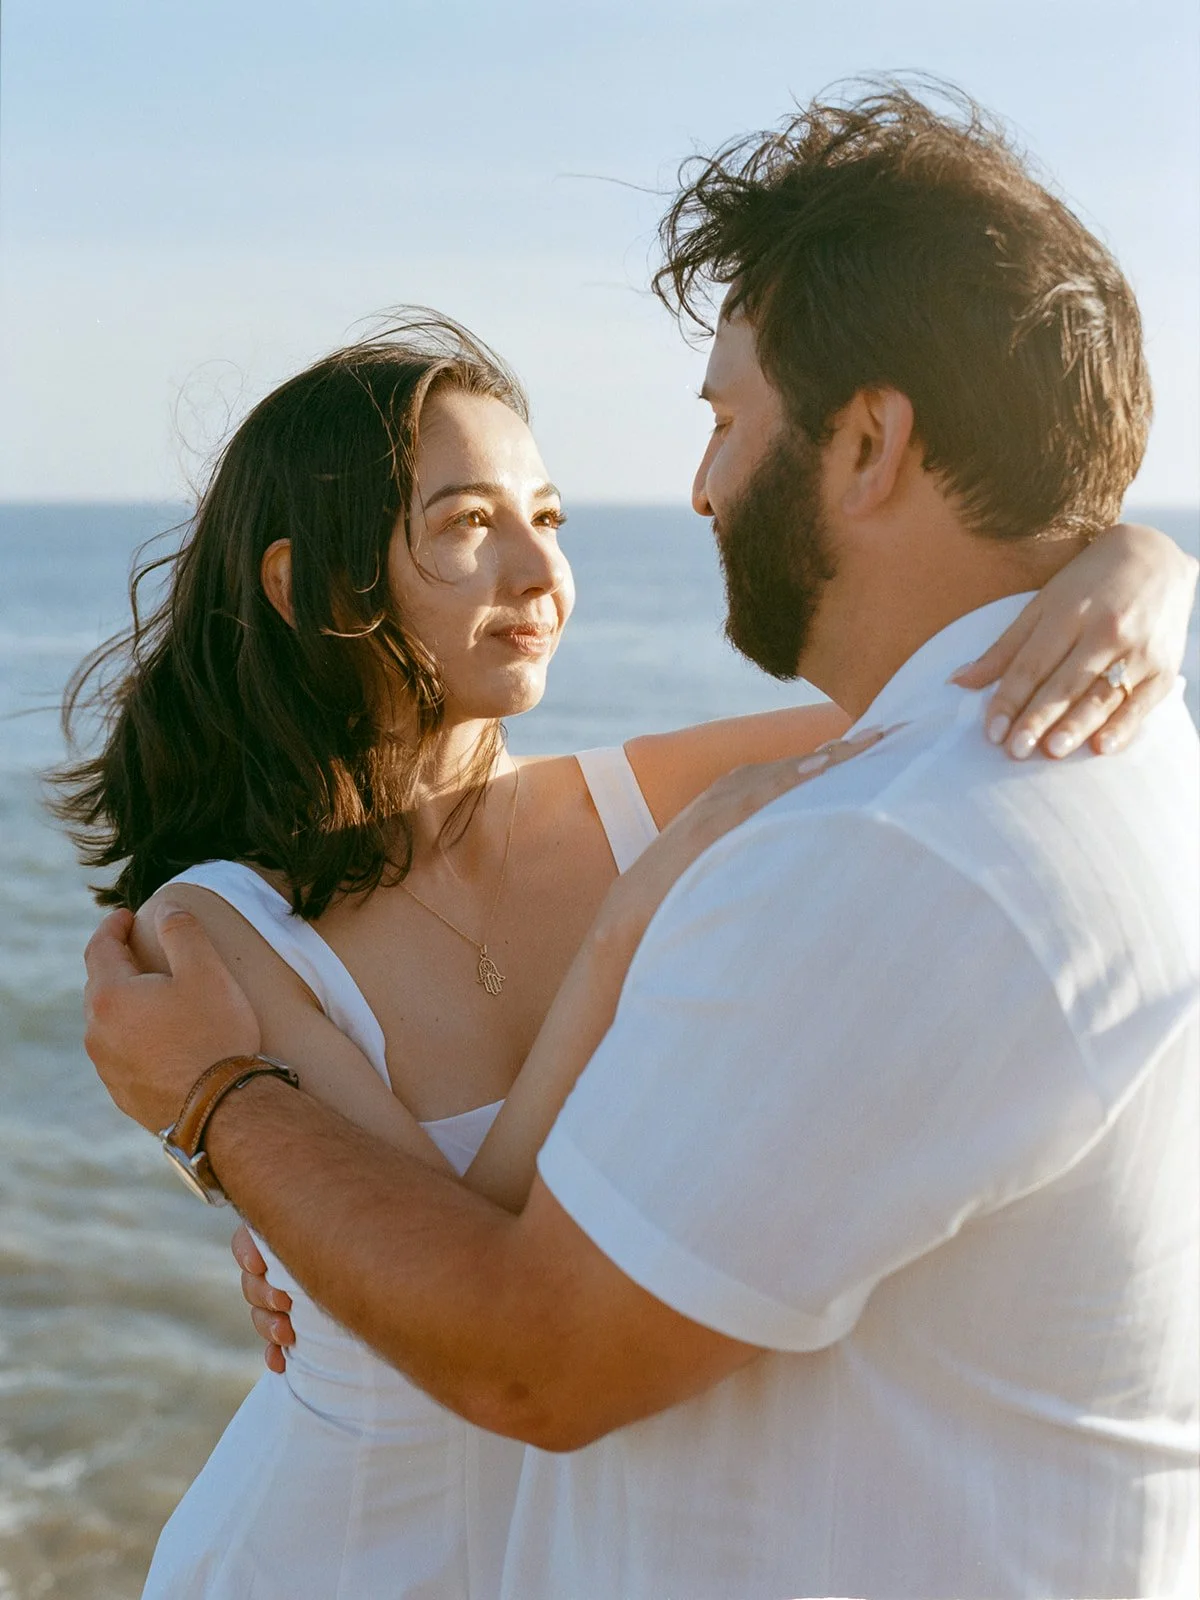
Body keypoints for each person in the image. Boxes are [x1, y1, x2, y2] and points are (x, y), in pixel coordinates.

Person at [79, 86, 1198, 1600]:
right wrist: (632, 923)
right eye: (468, 522)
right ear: (308, 584)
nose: (543, 568)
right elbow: (477, 1261)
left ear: (869, 443)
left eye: (548, 515)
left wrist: (1136, 561)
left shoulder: (634, 802)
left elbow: (936, 702)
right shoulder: (211, 940)